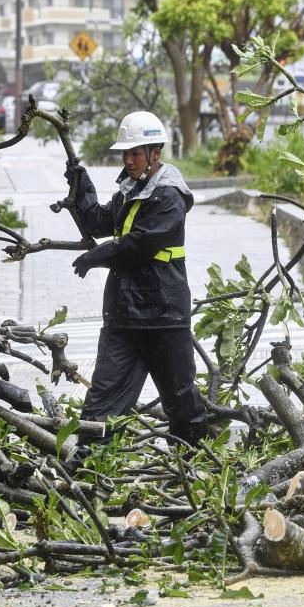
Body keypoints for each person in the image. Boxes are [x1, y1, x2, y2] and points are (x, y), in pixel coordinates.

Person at [64, 111, 208, 445]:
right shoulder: (130, 191)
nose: (128, 161)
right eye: (125, 154)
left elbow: (139, 244)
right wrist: (80, 183)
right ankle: (90, 468)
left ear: (155, 154)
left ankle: (191, 464)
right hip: (125, 317)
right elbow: (99, 222)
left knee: (181, 400)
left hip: (164, 316)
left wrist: (95, 256)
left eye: (135, 154)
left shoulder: (168, 197)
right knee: (103, 399)